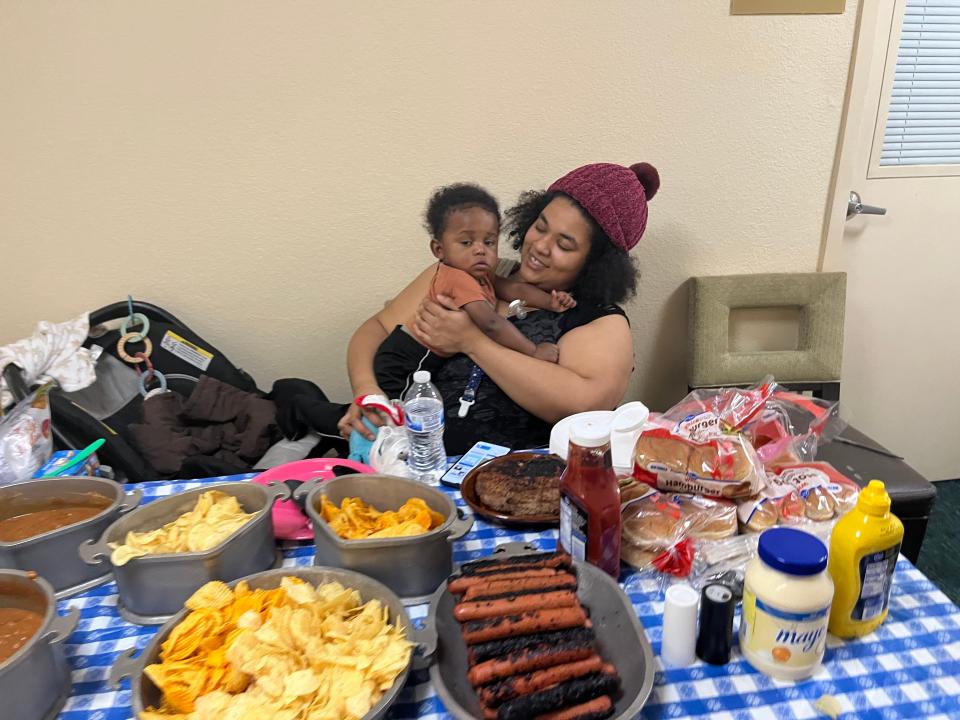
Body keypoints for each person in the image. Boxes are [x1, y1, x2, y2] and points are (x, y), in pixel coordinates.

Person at [341, 161, 660, 454]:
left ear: (595, 262)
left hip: (509, 487)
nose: (540, 246)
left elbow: (582, 405)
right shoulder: (468, 272)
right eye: (540, 225)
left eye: (564, 244)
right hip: (403, 456)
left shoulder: (599, 321)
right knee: (292, 393)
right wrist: (368, 393)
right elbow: (377, 329)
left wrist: (472, 342)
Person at [374, 182, 576, 401]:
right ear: (439, 250)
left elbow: (512, 288)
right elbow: (490, 324)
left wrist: (551, 302)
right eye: (466, 242)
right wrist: (533, 352)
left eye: (489, 242)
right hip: (406, 360)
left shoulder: (479, 274)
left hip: (423, 359)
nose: (480, 249)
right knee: (398, 420)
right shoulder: (456, 278)